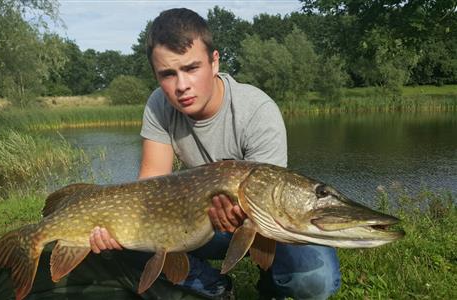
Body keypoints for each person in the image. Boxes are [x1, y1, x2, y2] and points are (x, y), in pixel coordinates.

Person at [89, 7, 341, 300]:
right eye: (168, 74)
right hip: (199, 223)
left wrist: (241, 219)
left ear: (214, 62)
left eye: (191, 68)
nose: (181, 86)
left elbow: (272, 210)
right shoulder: (159, 105)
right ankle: (214, 287)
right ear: (156, 75)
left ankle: (272, 285)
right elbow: (149, 190)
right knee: (125, 245)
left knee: (315, 280)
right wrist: (117, 230)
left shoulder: (257, 111)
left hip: (266, 220)